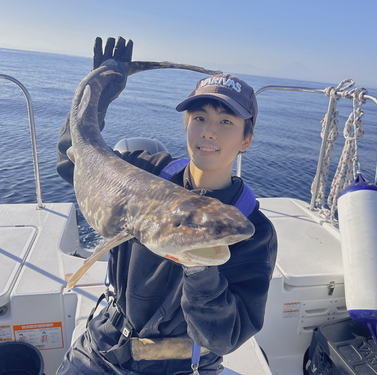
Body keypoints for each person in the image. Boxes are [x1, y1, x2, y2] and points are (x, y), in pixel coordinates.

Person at [56, 36, 277, 375]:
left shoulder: (252, 231)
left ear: (246, 139)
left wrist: (200, 269)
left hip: (181, 366)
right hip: (104, 344)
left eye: (226, 122)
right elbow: (73, 161)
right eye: (200, 118)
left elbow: (224, 336)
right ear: (186, 123)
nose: (209, 132)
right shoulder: (142, 169)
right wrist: (95, 96)